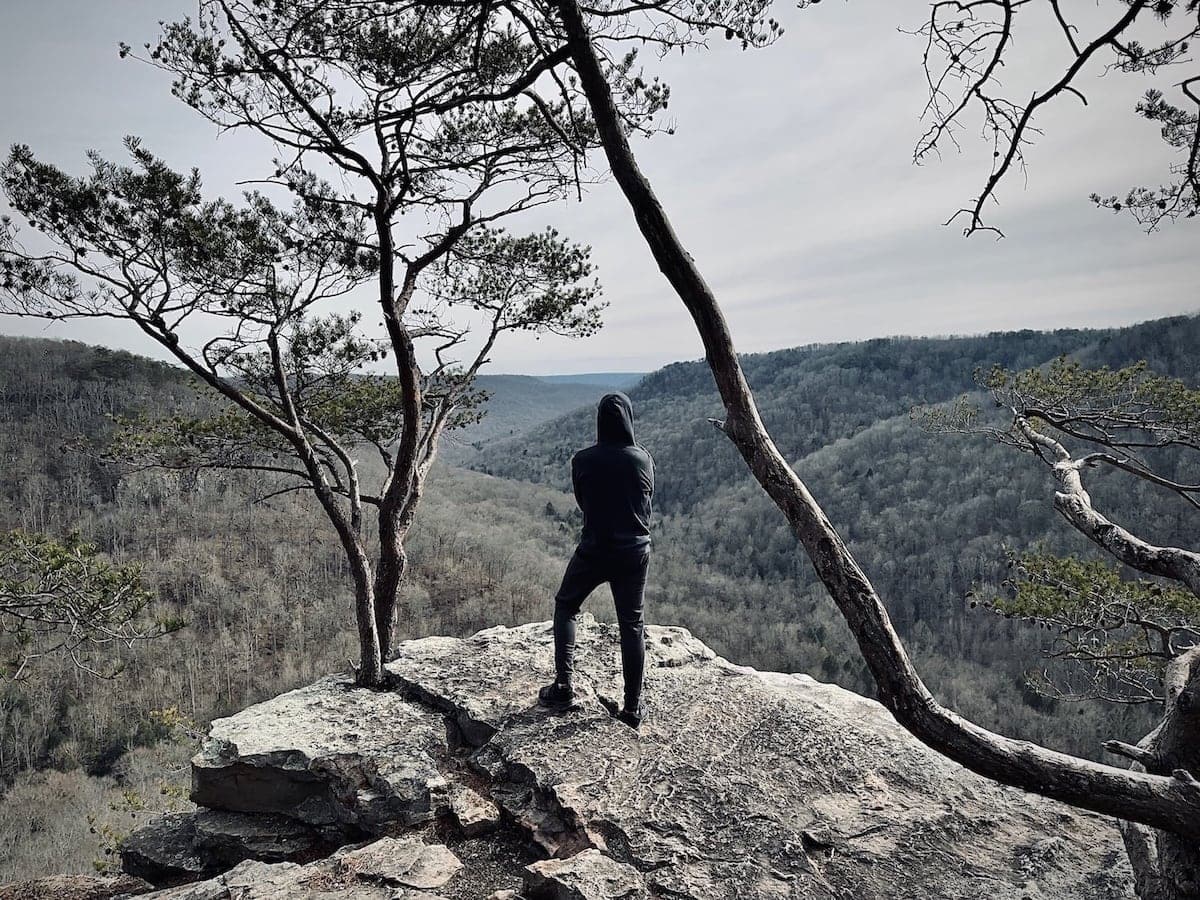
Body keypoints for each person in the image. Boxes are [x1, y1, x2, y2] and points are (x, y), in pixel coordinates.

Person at [537, 392, 654, 729]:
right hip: (634, 552)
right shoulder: (642, 459)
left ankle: (563, 688)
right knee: (632, 624)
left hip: (594, 549)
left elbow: (583, 501)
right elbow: (646, 501)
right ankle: (632, 707)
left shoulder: (583, 460)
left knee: (566, 606)